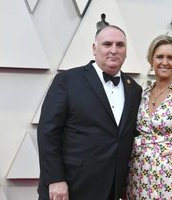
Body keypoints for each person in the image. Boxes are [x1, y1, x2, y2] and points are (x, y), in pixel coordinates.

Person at [37, 25, 142, 200]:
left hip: (112, 189)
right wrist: (55, 179)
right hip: (70, 186)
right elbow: (48, 132)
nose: (114, 50)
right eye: (107, 44)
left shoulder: (135, 89)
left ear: (126, 50)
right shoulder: (67, 80)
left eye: (120, 45)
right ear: (94, 49)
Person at [126, 34, 172, 199]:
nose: (164, 62)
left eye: (171, 57)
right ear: (151, 61)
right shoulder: (143, 93)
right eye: (159, 57)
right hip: (137, 173)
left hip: (169, 174)